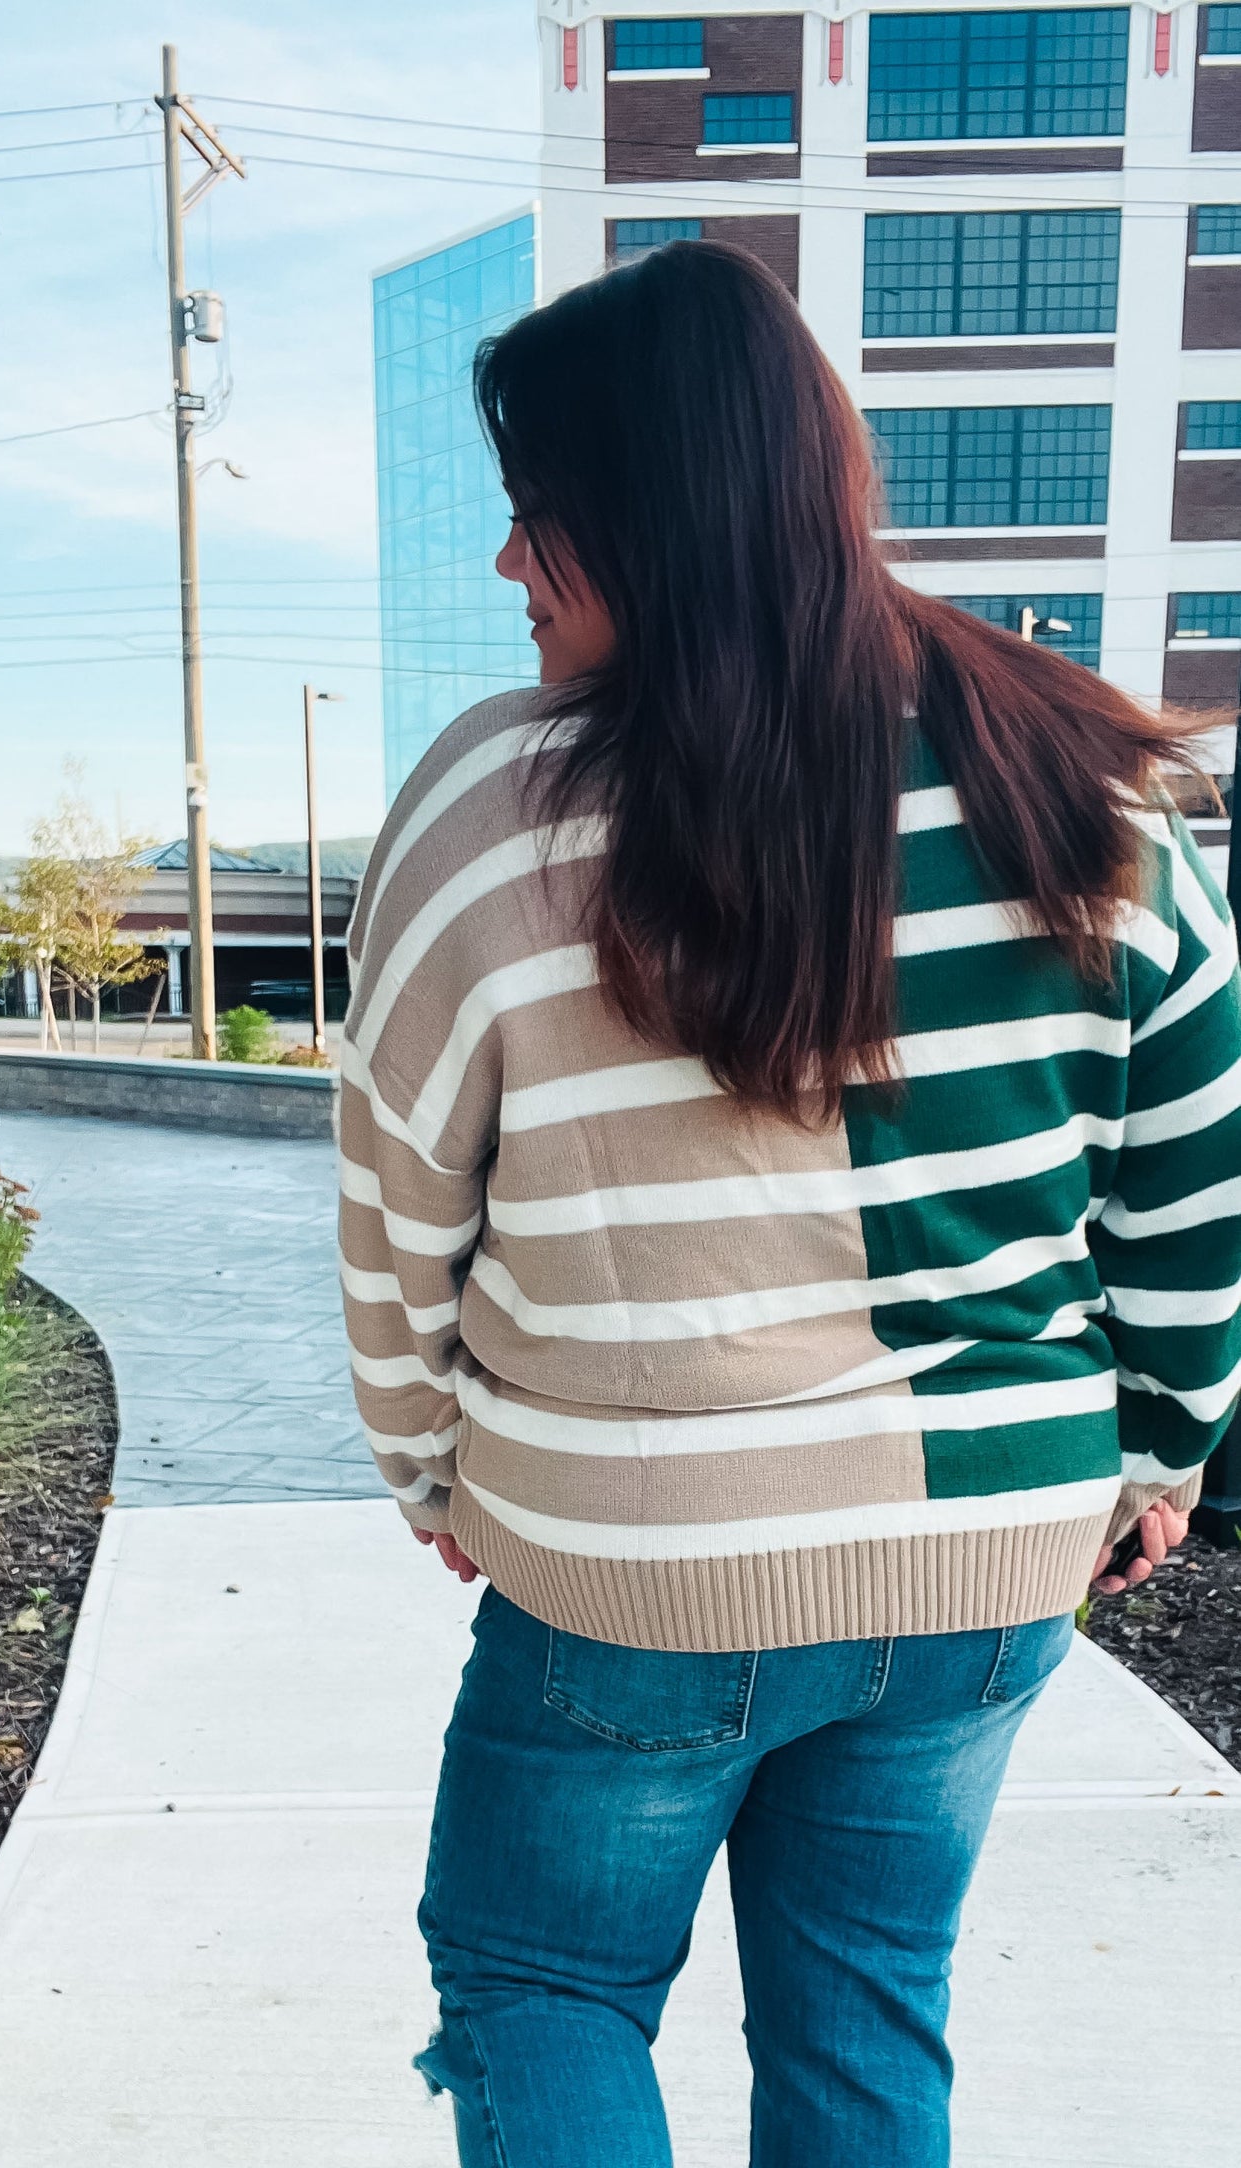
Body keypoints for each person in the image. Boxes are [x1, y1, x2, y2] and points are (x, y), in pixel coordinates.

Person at [338, 241, 1241, 2168]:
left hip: (641, 1559)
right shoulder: (1087, 781)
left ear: (647, 511)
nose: (506, 566)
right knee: (862, 2006)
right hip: (991, 1556)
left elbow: (399, 1201)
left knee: (543, 1985)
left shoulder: (496, 806)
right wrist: (1162, 1455)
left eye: (534, 514)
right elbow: (1190, 1184)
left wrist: (430, 1470)